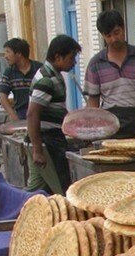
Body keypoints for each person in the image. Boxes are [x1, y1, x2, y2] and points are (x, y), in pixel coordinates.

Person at [83, 10, 135, 137]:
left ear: (124, 28)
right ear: (102, 35)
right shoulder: (95, 64)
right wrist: (92, 132)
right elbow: (93, 102)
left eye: (117, 32)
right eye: (108, 35)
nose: (114, 39)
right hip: (110, 128)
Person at [27, 35, 82, 195]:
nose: (74, 62)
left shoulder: (55, 76)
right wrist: (38, 150)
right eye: (71, 58)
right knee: (59, 189)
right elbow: (32, 114)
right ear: (58, 57)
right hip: (47, 141)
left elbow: (56, 108)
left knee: (39, 189)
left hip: (51, 139)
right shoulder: (46, 80)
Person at [0, 38, 42, 121]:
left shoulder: (39, 69)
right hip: (20, 113)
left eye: (8, 52)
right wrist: (12, 114)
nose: (5, 56)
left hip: (40, 113)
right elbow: (2, 96)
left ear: (19, 53)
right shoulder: (9, 72)